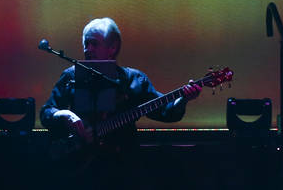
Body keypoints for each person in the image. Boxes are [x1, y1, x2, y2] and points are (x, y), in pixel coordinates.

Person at [40, 17, 202, 151]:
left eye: (94, 43)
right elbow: (46, 112)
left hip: (122, 164)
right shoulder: (71, 76)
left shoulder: (134, 79)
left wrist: (183, 99)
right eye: (86, 43)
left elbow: (166, 112)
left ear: (112, 47)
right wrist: (63, 115)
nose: (88, 49)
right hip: (79, 161)